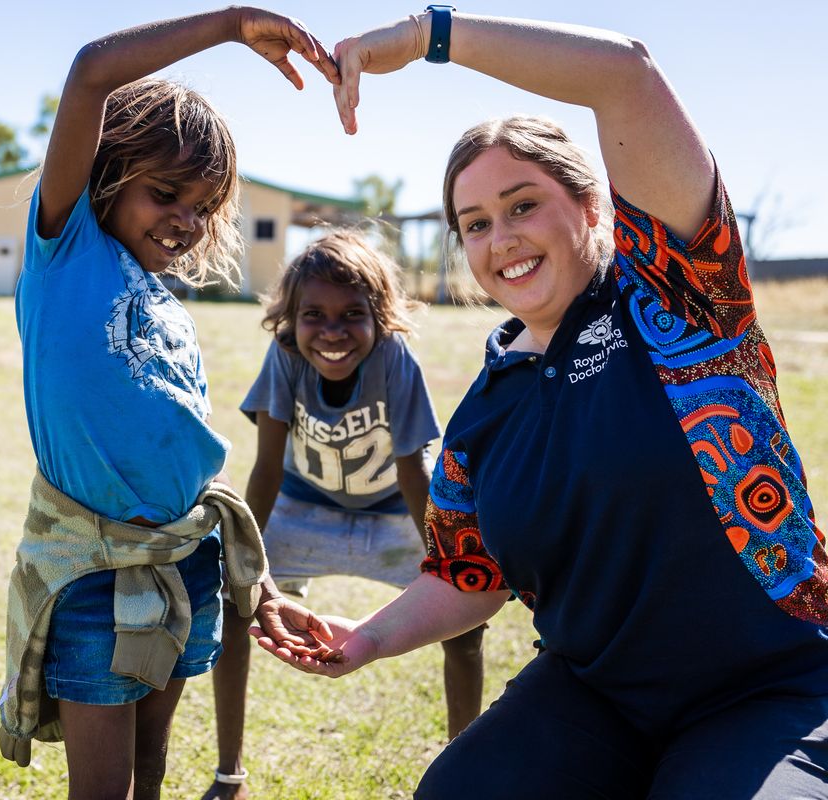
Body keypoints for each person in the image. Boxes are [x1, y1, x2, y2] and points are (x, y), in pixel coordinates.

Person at [254, 8, 828, 799]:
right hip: (596, 698)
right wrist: (369, 639)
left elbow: (624, 74)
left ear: (592, 207)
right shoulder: (485, 411)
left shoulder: (678, 298)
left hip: (771, 688)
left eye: (523, 205)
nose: (503, 239)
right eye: (477, 224)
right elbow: (468, 572)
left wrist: (427, 37)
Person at [0, 9, 340, 800]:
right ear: (107, 172)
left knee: (151, 770)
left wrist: (254, 578)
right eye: (164, 194)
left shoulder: (167, 302)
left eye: (201, 206)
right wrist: (228, 25)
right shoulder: (64, 254)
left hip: (186, 561)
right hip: (94, 569)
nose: (183, 220)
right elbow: (89, 71)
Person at [204, 230, 485, 799]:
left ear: (380, 318)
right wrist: (248, 558)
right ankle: (229, 773)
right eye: (314, 315)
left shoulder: (393, 357)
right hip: (305, 509)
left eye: (352, 314)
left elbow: (414, 471)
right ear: (290, 318)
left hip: (392, 515)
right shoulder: (285, 354)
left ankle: (464, 778)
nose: (332, 332)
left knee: (464, 626)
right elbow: (268, 468)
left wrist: (444, 560)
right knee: (234, 603)